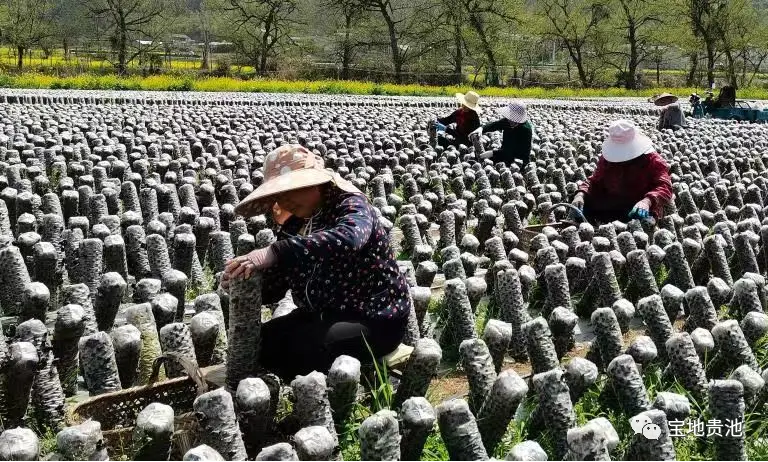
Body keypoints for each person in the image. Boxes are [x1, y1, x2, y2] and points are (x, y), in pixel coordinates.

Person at [223, 144, 411, 380]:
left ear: (316, 184)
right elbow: (278, 283)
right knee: (261, 341)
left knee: (303, 352)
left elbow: (348, 239)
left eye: (292, 189)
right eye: (279, 194)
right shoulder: (295, 225)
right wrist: (244, 281)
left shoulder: (351, 207)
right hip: (320, 315)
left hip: (374, 317)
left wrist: (275, 251)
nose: (285, 200)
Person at [571, 119, 673, 224]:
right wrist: (581, 194)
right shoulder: (608, 159)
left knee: (644, 222)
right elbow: (595, 180)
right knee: (581, 205)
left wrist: (647, 201)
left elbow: (665, 186)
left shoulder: (652, 160)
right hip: (613, 202)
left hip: (638, 206)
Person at [471, 101, 533, 168]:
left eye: (514, 119)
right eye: (510, 117)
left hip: (518, 161)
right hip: (504, 153)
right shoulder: (508, 121)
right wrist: (481, 129)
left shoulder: (525, 130)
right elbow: (494, 125)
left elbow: (513, 151)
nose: (510, 120)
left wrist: (493, 153)